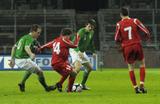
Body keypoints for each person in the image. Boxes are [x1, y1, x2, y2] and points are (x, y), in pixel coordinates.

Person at [114, 7, 150, 94]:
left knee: (130, 67)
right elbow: (146, 31)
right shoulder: (135, 21)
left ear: (121, 15)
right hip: (137, 45)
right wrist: (145, 38)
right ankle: (142, 84)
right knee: (142, 63)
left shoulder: (119, 24)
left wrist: (120, 45)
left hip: (127, 47)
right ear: (128, 13)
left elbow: (116, 38)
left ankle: (136, 88)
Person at [9, 24, 54, 92]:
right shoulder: (30, 38)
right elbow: (26, 47)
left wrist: (12, 59)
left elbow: (14, 47)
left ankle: (22, 83)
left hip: (20, 59)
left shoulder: (24, 37)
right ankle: (46, 88)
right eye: (38, 32)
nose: (39, 34)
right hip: (23, 60)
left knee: (31, 69)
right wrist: (31, 54)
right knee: (40, 72)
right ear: (33, 31)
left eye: (40, 33)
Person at [40, 28, 80, 92]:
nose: (69, 38)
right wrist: (78, 38)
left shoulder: (56, 40)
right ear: (67, 35)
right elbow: (75, 45)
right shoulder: (65, 39)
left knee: (66, 74)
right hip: (61, 63)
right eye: (69, 36)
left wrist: (41, 48)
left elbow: (47, 45)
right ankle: (69, 90)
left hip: (54, 64)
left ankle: (59, 84)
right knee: (73, 74)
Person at [69, 19, 96, 90]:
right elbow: (74, 43)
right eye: (89, 26)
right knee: (78, 68)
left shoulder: (91, 32)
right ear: (86, 25)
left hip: (82, 51)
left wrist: (93, 51)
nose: (90, 28)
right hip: (74, 50)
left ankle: (83, 85)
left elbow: (91, 43)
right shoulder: (81, 32)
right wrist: (78, 51)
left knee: (90, 68)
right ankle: (69, 86)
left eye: (92, 27)